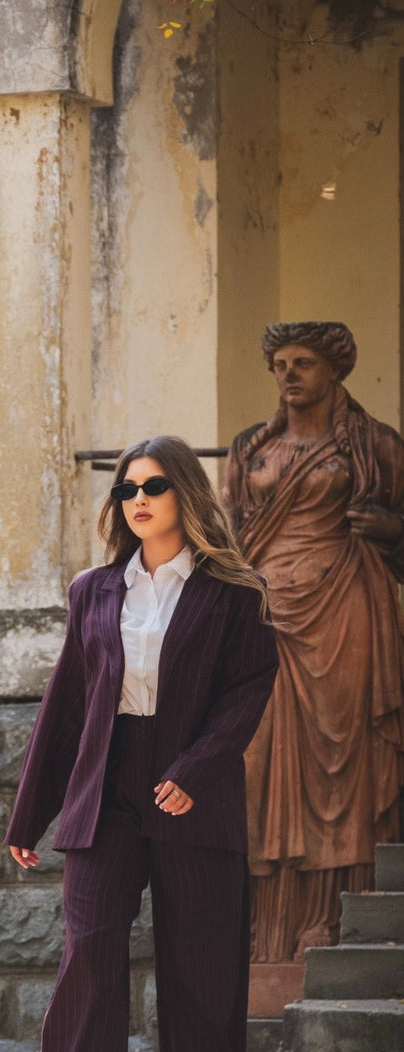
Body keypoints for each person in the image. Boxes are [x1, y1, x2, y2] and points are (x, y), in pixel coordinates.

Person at [5, 436, 278, 1052]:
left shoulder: (234, 592)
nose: (138, 498)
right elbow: (65, 706)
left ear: (185, 493)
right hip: (106, 790)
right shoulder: (93, 589)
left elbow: (247, 689)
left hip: (192, 788)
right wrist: (30, 813)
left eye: (154, 485)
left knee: (200, 973)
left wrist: (194, 771)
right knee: (88, 961)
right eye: (127, 487)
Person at [222, 322, 404, 970]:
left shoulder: (375, 444)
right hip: (267, 616)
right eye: (279, 363)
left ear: (334, 371)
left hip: (344, 611)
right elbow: (227, 542)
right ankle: (265, 936)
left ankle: (335, 920)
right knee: (260, 765)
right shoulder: (251, 448)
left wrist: (389, 529)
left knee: (340, 769)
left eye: (302, 362)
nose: (288, 374)